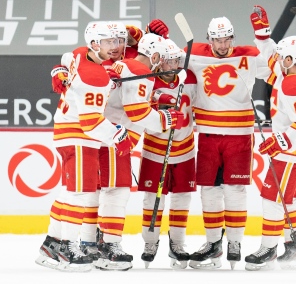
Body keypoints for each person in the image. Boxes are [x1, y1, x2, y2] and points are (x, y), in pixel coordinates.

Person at [35, 22, 134, 272]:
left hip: (67, 133)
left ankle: (52, 243)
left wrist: (58, 69)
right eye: (108, 42)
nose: (115, 47)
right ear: (94, 44)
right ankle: (66, 245)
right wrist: (118, 136)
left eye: (117, 41)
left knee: (71, 191)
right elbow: (91, 123)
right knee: (79, 194)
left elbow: (69, 56)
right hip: (80, 137)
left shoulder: (81, 55)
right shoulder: (96, 77)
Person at [183, 7, 273, 269]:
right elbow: (162, 59)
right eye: (217, 40)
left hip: (240, 134)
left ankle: (234, 242)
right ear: (209, 39)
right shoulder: (195, 53)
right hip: (209, 134)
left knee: (235, 189)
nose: (222, 46)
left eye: (226, 40)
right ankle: (213, 243)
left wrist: (264, 36)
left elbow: (277, 64)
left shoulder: (249, 54)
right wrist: (144, 38)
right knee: (209, 189)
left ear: (233, 37)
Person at [94, 31, 185, 271]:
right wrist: (165, 118)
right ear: (154, 55)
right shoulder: (140, 70)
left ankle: (91, 243)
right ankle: (109, 248)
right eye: (162, 57)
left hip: (103, 136)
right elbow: (137, 112)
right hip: (115, 138)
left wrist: (157, 97)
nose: (163, 63)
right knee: (117, 192)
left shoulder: (126, 65)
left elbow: (132, 97)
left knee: (98, 193)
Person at [244, 34, 296, 271]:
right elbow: (271, 58)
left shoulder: (294, 84)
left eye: (281, 56)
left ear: (291, 59)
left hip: (293, 152)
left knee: (272, 199)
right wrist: (263, 36)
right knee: (291, 200)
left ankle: (268, 249)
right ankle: (292, 249)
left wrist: (280, 141)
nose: (276, 59)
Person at [138, 39, 198, 269]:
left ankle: (178, 244)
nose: (173, 65)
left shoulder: (188, 80)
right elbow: (140, 111)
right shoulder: (148, 82)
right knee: (153, 197)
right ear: (159, 62)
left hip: (184, 149)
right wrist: (157, 102)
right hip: (155, 149)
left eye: (176, 60)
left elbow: (200, 105)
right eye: (168, 61)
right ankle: (150, 243)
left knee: (182, 197)